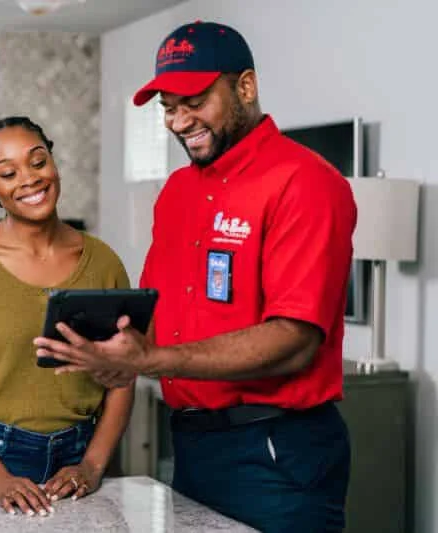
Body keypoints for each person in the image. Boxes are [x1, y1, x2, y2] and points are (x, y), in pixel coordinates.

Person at [33, 21, 357, 532]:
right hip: (192, 445)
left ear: (245, 87)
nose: (180, 121)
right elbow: (163, 315)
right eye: (168, 107)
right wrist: (116, 359)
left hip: (275, 452)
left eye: (195, 101)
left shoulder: (307, 183)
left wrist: (153, 359)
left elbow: (296, 340)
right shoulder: (179, 191)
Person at [0, 117, 134, 516]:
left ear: (53, 164)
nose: (29, 179)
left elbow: (123, 376)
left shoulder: (103, 262)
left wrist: (92, 463)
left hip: (81, 463)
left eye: (38, 161)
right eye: (7, 172)